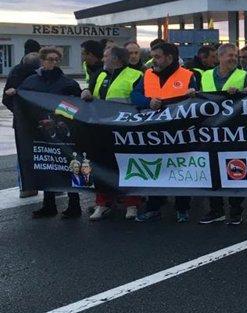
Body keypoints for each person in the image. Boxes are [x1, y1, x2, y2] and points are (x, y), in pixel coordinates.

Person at [7, 47, 83, 219]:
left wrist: (57, 119)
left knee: (68, 166)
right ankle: (49, 205)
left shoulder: (68, 83)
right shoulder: (30, 82)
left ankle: (74, 204)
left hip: (62, 133)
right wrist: (15, 94)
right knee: (47, 165)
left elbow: (76, 106)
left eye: (57, 59)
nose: (54, 62)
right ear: (42, 61)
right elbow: (24, 104)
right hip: (39, 132)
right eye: (50, 59)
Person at [131, 42, 199, 222]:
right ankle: (153, 207)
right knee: (154, 168)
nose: (153, 60)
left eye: (157, 56)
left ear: (169, 58)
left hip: (179, 131)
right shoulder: (148, 74)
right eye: (153, 56)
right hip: (153, 131)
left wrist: (194, 94)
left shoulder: (187, 75)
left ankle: (182, 208)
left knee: (181, 169)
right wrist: (148, 102)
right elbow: (135, 95)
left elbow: (198, 100)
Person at [81, 45, 144, 220]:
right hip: (101, 128)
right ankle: (102, 203)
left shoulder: (135, 75)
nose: (103, 59)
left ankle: (131, 204)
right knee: (101, 166)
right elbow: (91, 94)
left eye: (106, 56)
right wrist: (85, 92)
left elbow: (140, 101)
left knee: (128, 166)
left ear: (116, 59)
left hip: (125, 129)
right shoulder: (100, 75)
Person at [197, 43, 247, 225]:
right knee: (212, 170)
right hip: (210, 130)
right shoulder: (206, 75)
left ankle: (236, 210)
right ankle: (216, 210)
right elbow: (198, 98)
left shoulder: (242, 75)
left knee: (235, 170)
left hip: (234, 131)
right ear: (220, 57)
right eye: (230, 55)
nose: (234, 59)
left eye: (235, 56)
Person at [3, 45, 41, 198]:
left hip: (26, 122)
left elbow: (6, 99)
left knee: (25, 154)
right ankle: (50, 185)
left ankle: (28, 187)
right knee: (46, 152)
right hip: (36, 122)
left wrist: (20, 114)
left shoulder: (16, 71)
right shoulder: (26, 72)